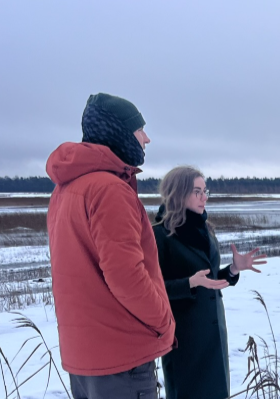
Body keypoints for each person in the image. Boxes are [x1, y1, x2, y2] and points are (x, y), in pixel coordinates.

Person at [46, 93, 175, 398]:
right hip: (121, 358)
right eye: (139, 129)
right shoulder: (109, 189)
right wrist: (164, 323)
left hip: (86, 356)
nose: (147, 138)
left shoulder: (66, 189)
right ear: (117, 133)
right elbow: (126, 276)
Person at [153, 165, 267, 399]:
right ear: (178, 192)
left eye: (206, 191)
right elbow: (152, 289)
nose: (204, 197)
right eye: (197, 191)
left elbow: (210, 280)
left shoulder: (205, 228)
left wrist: (234, 269)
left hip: (213, 336)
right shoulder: (159, 235)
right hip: (184, 339)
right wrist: (189, 284)